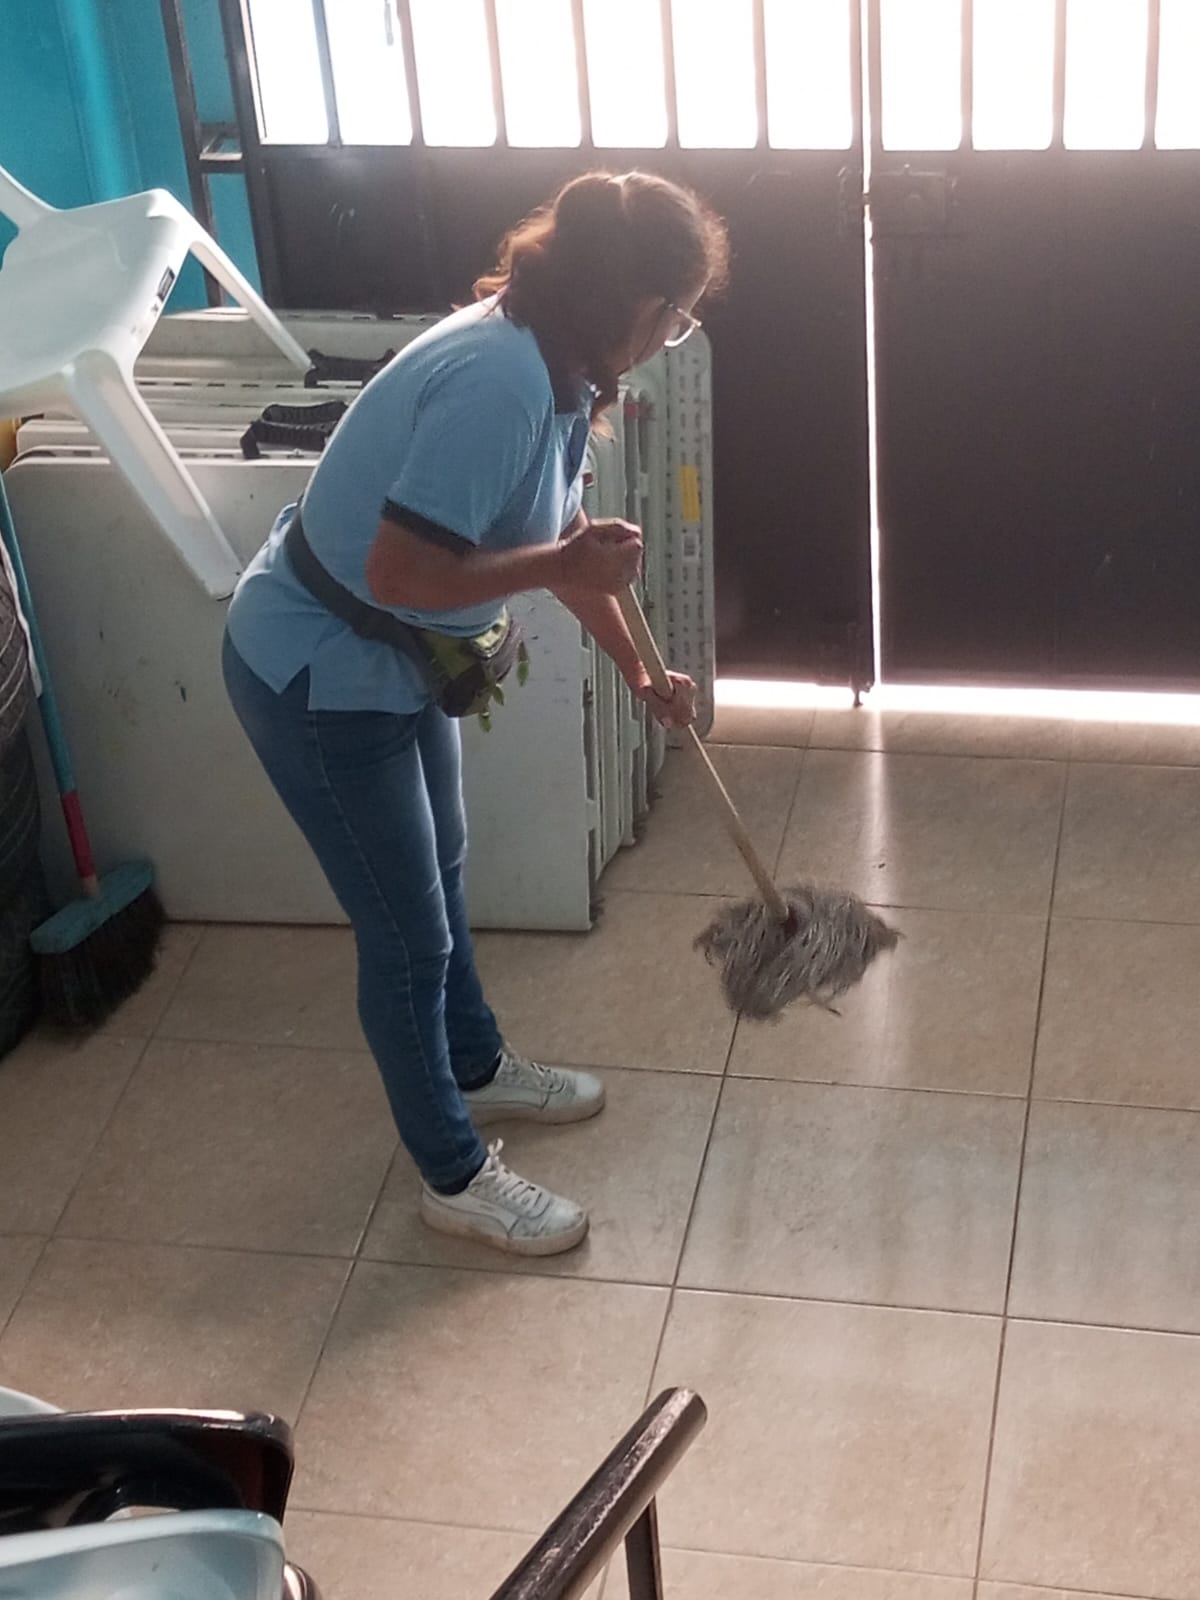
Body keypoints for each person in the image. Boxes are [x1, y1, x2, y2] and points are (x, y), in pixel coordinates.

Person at [222, 170, 730, 1257]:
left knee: (442, 877)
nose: (672, 334)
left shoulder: (558, 363)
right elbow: (401, 570)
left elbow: (564, 545)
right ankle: (452, 1175)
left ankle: (476, 1063)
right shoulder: (498, 381)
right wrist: (560, 564)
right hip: (318, 674)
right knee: (406, 937)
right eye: (676, 314)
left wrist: (642, 675)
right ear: (634, 301)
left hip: (398, 663)